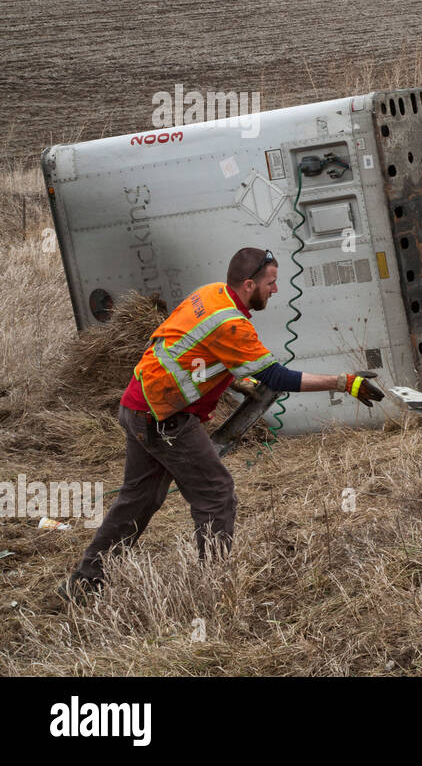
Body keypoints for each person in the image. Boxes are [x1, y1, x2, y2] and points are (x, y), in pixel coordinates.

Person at [58, 247, 385, 604]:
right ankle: (212, 590)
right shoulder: (233, 324)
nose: (275, 290)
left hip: (138, 404)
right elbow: (276, 376)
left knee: (138, 499)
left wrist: (231, 379)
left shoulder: (210, 294)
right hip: (165, 420)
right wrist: (344, 383)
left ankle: (83, 584)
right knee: (216, 494)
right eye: (271, 283)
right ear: (249, 284)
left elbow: (192, 350)